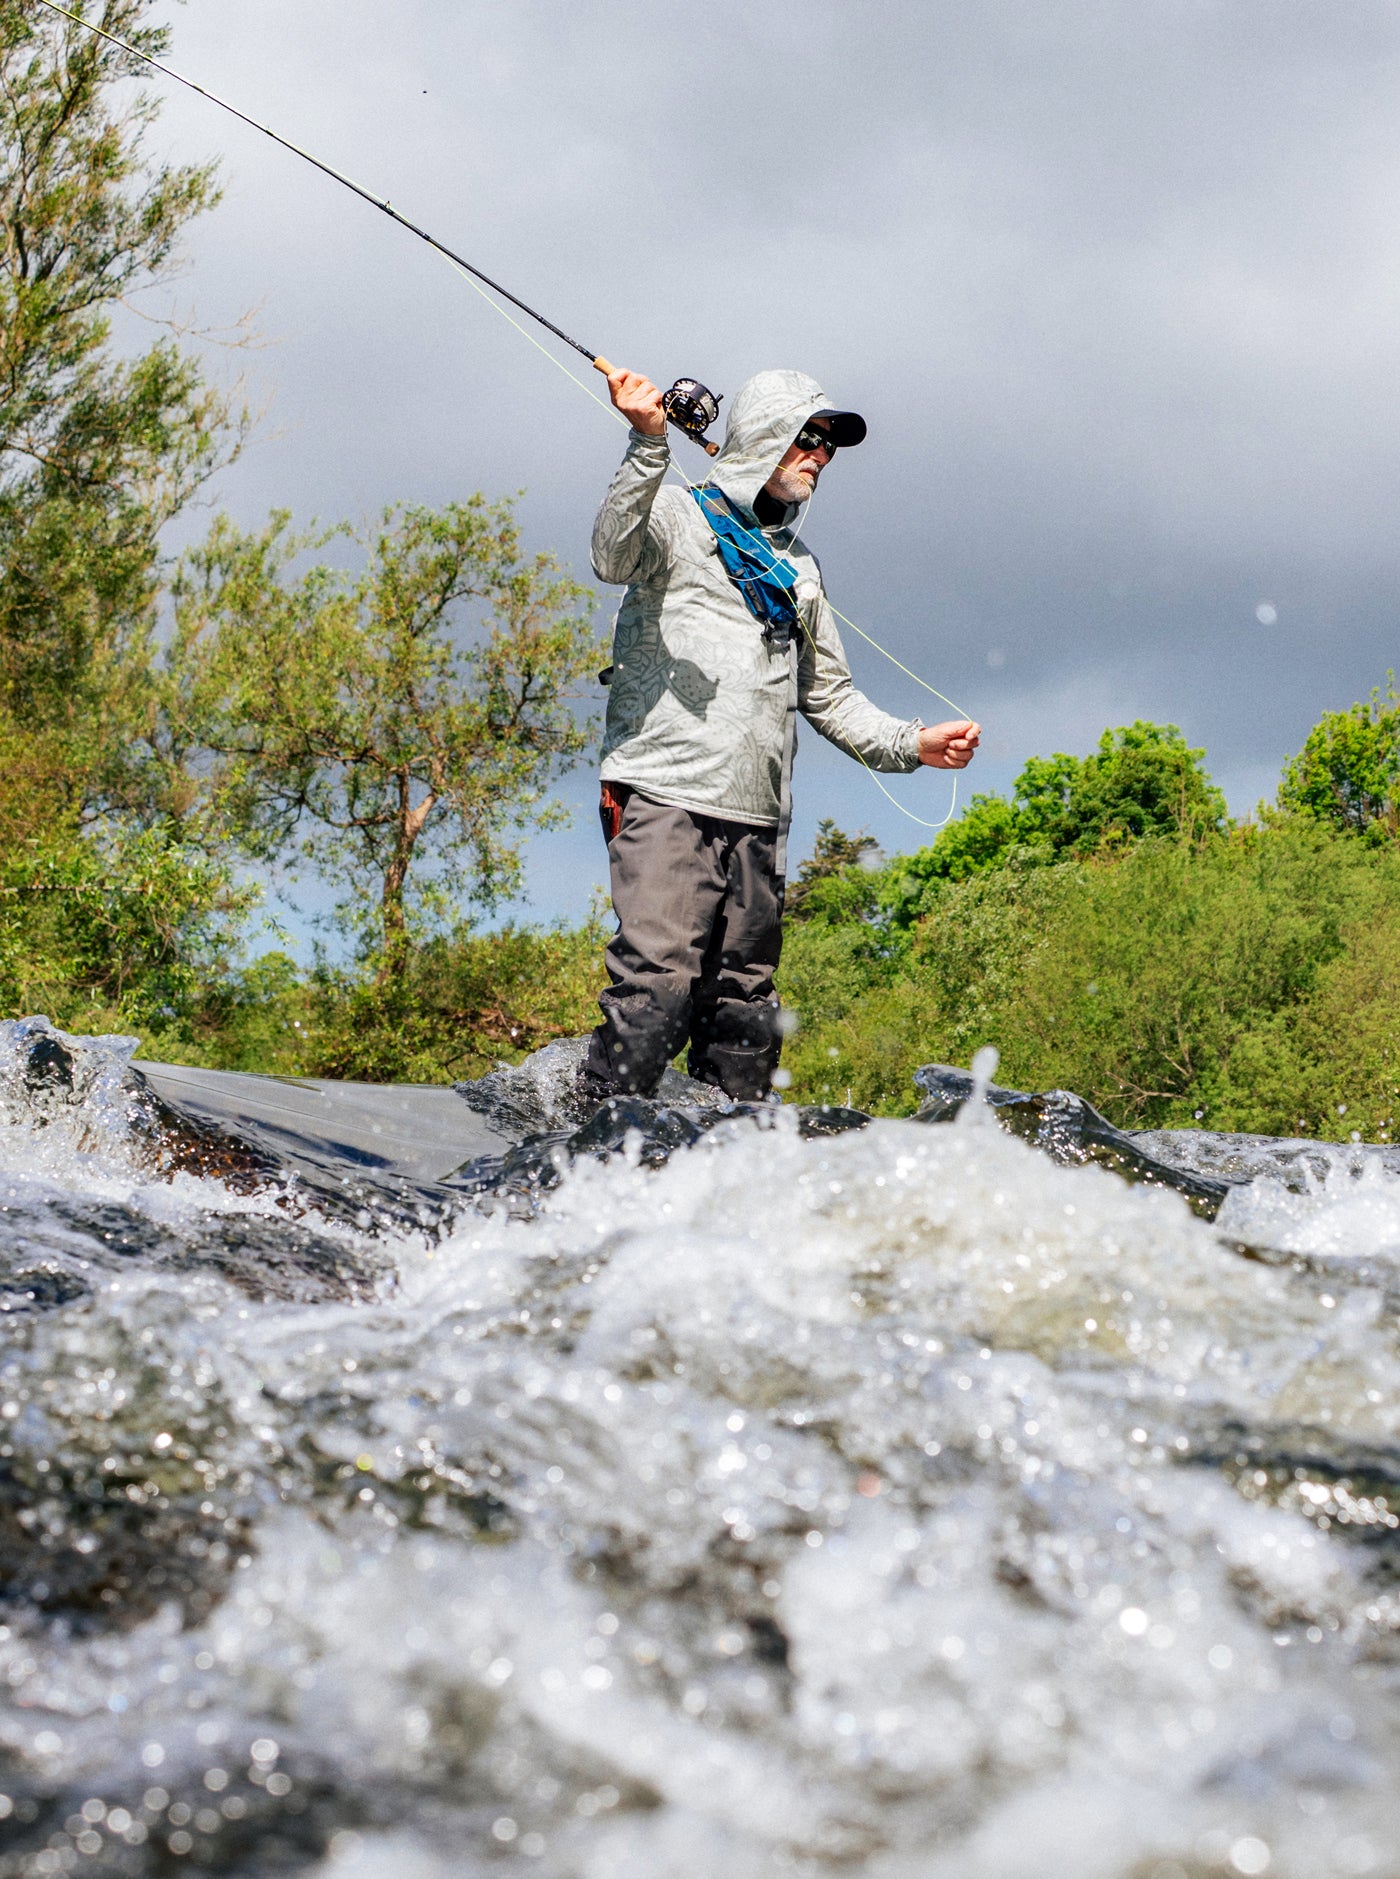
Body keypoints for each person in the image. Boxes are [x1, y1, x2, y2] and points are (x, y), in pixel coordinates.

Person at [579, 364, 980, 1107]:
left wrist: (913, 745)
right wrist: (645, 443)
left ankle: (725, 1178)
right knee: (658, 987)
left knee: (745, 1021)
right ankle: (584, 1143)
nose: (821, 456)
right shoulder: (674, 515)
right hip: (665, 797)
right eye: (809, 438)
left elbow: (830, 698)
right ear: (765, 435)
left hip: (759, 825)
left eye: (828, 445)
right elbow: (610, 556)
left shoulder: (801, 572)